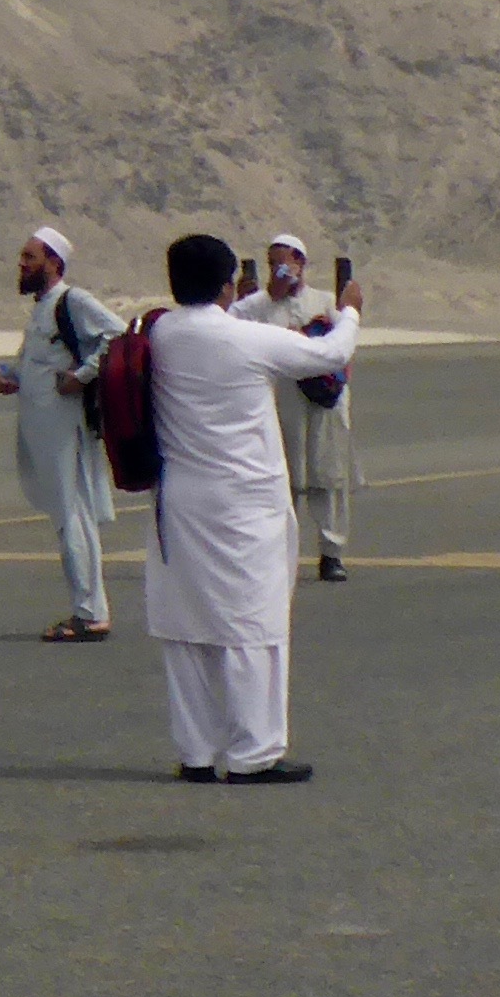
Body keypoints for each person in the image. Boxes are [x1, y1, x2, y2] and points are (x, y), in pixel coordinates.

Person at [140, 231, 359, 783]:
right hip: (243, 503)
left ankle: (195, 753)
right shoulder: (245, 339)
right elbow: (328, 354)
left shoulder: (158, 332)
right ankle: (254, 753)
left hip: (179, 500)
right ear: (226, 285)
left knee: (186, 626)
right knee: (253, 624)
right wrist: (350, 312)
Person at [0, 230, 118, 640]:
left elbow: (118, 335)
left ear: (54, 263)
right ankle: (88, 610)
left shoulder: (73, 301)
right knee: (69, 516)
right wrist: (11, 377)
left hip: (64, 427)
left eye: (30, 257)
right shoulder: (43, 309)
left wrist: (82, 376)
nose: (22, 264)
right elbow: (36, 358)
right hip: (42, 429)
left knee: (72, 517)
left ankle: (89, 614)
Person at [241, 236, 359, 579]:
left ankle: (331, 552)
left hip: (324, 398)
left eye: (285, 262)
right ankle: (280, 553)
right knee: (285, 476)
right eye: (273, 263)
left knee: (328, 474)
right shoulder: (259, 306)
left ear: (300, 263)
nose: (280, 270)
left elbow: (345, 343)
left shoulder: (323, 301)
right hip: (284, 399)